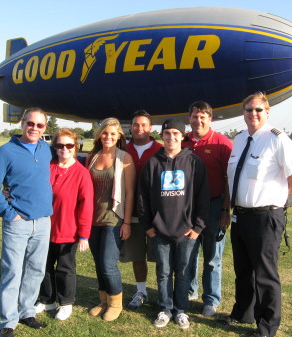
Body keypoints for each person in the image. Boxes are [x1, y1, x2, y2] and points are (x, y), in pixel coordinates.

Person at [224, 92, 292, 337]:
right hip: (240, 215)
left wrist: (277, 198)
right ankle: (243, 312)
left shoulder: (277, 139)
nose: (253, 114)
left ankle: (268, 325)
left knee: (265, 273)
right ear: (243, 113)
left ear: (267, 112)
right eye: (249, 110)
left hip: (265, 217)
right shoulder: (239, 139)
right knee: (243, 270)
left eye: (258, 110)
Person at [0, 108, 53, 337]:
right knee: (12, 271)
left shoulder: (46, 150)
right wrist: (8, 213)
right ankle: (7, 322)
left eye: (40, 125)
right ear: (22, 123)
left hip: (43, 221)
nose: (34, 128)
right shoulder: (5, 152)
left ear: (45, 128)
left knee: (36, 270)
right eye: (30, 123)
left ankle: (26, 311)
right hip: (18, 222)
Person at [138, 119, 209, 330]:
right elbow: (142, 197)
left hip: (186, 232)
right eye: (167, 133)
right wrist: (148, 226)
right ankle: (165, 309)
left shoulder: (194, 162)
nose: (171, 137)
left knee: (184, 272)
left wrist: (198, 228)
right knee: (163, 272)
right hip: (159, 231)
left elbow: (202, 197)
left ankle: (181, 310)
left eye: (176, 133)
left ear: (182, 135)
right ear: (162, 135)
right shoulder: (153, 163)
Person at [34, 128, 94, 321]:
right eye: (60, 145)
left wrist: (84, 235)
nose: (64, 149)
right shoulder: (48, 167)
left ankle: (66, 303)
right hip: (44, 228)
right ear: (55, 147)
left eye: (69, 145)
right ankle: (47, 299)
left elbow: (86, 206)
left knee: (65, 269)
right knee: (44, 266)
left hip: (68, 230)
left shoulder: (81, 173)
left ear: (75, 147)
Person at [182, 101, 233, 317]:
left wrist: (225, 210)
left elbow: (229, 179)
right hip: (188, 207)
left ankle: (211, 299)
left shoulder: (222, 143)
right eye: (195, 116)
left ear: (210, 119)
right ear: (190, 119)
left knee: (213, 257)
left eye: (203, 117)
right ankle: (190, 291)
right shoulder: (182, 142)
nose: (198, 120)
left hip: (214, 205)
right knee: (188, 254)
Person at [85, 118, 136, 322]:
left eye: (113, 134)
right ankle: (104, 301)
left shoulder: (125, 158)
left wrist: (127, 222)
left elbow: (130, 193)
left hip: (114, 219)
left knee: (108, 264)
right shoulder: (91, 157)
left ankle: (116, 303)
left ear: (119, 137)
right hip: (92, 219)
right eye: (105, 133)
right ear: (99, 135)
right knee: (98, 263)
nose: (108, 137)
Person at [119, 110, 163, 310]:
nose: (139, 128)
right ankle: (141, 291)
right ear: (131, 127)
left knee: (162, 257)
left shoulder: (160, 150)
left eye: (143, 125)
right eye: (136, 125)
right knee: (137, 255)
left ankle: (163, 292)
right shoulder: (122, 150)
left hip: (157, 216)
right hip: (132, 213)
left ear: (150, 127)